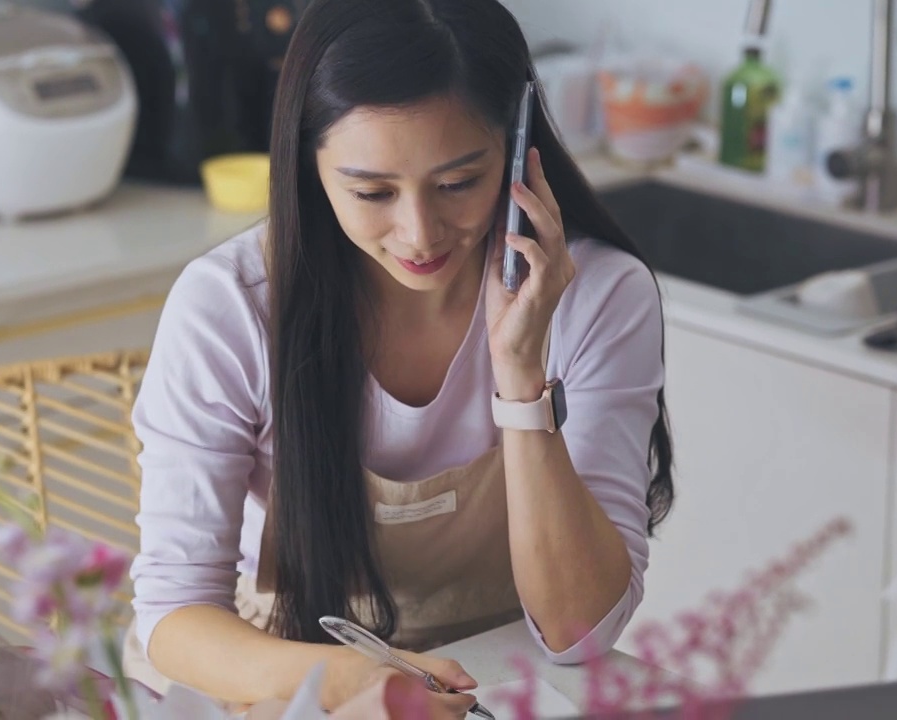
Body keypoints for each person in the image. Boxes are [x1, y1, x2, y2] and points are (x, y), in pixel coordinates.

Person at [122, 0, 675, 715]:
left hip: (502, 691)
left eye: (458, 184)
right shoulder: (229, 308)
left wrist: (520, 376)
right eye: (372, 192)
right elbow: (172, 618)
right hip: (282, 682)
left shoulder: (595, 295)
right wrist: (347, 681)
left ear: (516, 148)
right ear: (308, 168)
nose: (420, 233)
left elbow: (579, 634)